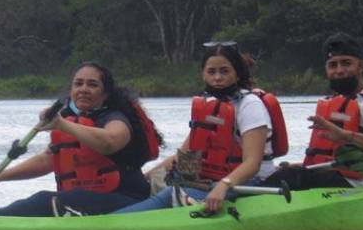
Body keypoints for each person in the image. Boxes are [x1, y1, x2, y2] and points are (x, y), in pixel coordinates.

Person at [0, 62, 163, 217]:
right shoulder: (71, 119)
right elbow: (49, 160)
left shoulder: (115, 116)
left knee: (44, 201)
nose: (83, 89)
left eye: (92, 85)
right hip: (86, 199)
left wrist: (60, 124)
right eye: (78, 83)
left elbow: (110, 142)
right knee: (46, 201)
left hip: (127, 201)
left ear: (105, 94)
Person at [114, 41, 288, 215]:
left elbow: (253, 163)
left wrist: (223, 186)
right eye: (211, 72)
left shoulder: (250, 105)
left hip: (251, 182)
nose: (217, 78)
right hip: (213, 181)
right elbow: (185, 157)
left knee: (168, 195)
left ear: (237, 74)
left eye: (224, 71)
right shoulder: (211, 107)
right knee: (155, 187)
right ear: (203, 74)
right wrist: (148, 177)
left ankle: (116, 223)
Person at [263, 32, 363, 190]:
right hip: (335, 177)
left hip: (359, 184)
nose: (339, 70)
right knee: (285, 172)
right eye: (333, 65)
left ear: (360, 66)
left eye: (346, 63)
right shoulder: (336, 102)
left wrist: (346, 136)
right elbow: (335, 158)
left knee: (290, 178)